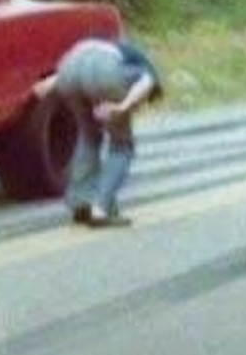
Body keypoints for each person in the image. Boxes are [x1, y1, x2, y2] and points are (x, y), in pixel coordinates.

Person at [34, 37, 162, 228]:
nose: (139, 109)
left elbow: (76, 71)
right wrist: (123, 106)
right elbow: (146, 82)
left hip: (70, 64)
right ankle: (100, 209)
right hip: (103, 71)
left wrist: (52, 83)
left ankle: (80, 203)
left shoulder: (117, 48)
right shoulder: (143, 65)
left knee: (88, 136)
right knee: (122, 146)